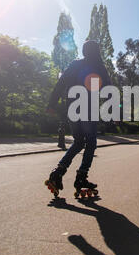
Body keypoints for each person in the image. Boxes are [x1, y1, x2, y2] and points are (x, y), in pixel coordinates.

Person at [45, 40, 111, 198]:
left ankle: (57, 173)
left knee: (79, 142)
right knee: (91, 142)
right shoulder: (99, 67)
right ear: (97, 52)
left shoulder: (75, 64)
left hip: (72, 110)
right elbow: (109, 89)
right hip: (88, 109)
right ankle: (81, 177)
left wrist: (52, 103)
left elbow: (61, 82)